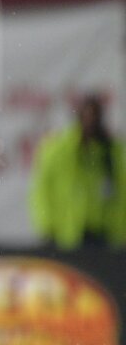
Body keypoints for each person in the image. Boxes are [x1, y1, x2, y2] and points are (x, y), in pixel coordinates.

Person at [30, 94, 126, 250]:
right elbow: (42, 191)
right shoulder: (59, 150)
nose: (90, 123)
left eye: (94, 118)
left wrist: (121, 230)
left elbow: (121, 194)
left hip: (102, 232)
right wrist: (46, 225)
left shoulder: (110, 152)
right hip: (66, 233)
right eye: (87, 117)